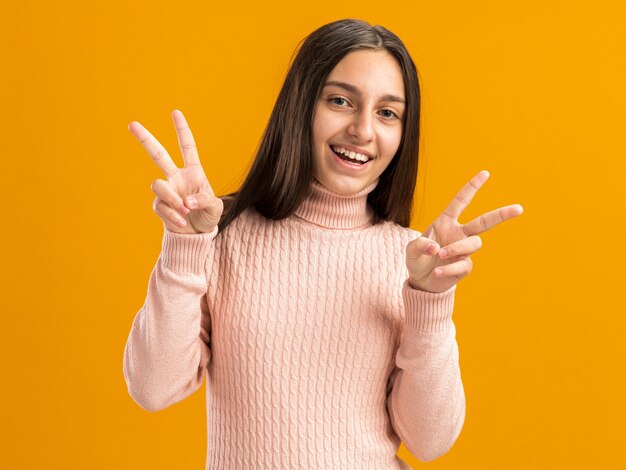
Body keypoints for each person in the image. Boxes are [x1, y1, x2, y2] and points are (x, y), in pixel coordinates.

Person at [123, 18, 523, 469]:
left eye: (387, 112)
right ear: (300, 107)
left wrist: (430, 302)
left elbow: (430, 441)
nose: (363, 130)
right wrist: (185, 246)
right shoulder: (222, 238)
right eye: (340, 101)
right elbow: (153, 386)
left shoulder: (414, 261)